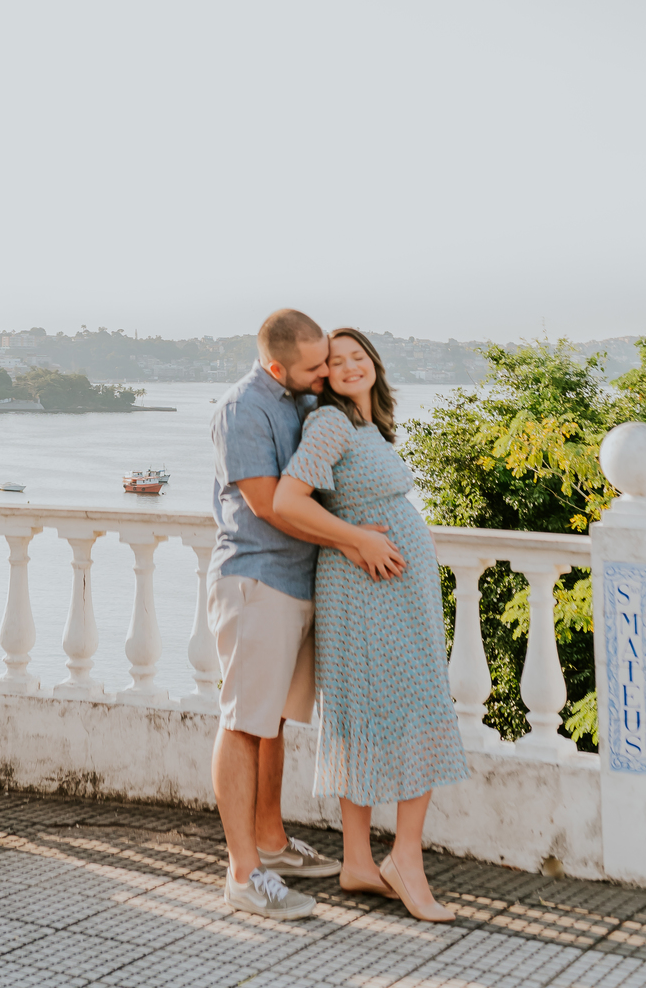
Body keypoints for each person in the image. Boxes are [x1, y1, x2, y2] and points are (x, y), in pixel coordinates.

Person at [208, 309, 406, 920]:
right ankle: (244, 874)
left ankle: (271, 842)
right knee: (243, 723)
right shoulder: (245, 408)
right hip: (257, 580)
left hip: (298, 582)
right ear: (276, 366)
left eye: (329, 360)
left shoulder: (299, 397)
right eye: (316, 365)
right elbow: (269, 505)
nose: (326, 373)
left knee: (273, 724)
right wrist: (353, 539)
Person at [273, 327, 468, 922]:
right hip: (364, 589)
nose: (350, 366)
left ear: (374, 365)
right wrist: (358, 538)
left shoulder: (367, 425)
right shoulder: (330, 423)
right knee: (416, 707)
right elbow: (287, 500)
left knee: (367, 715)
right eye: (337, 361)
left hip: (388, 589)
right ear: (324, 375)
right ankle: (404, 857)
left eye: (359, 356)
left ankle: (358, 862)